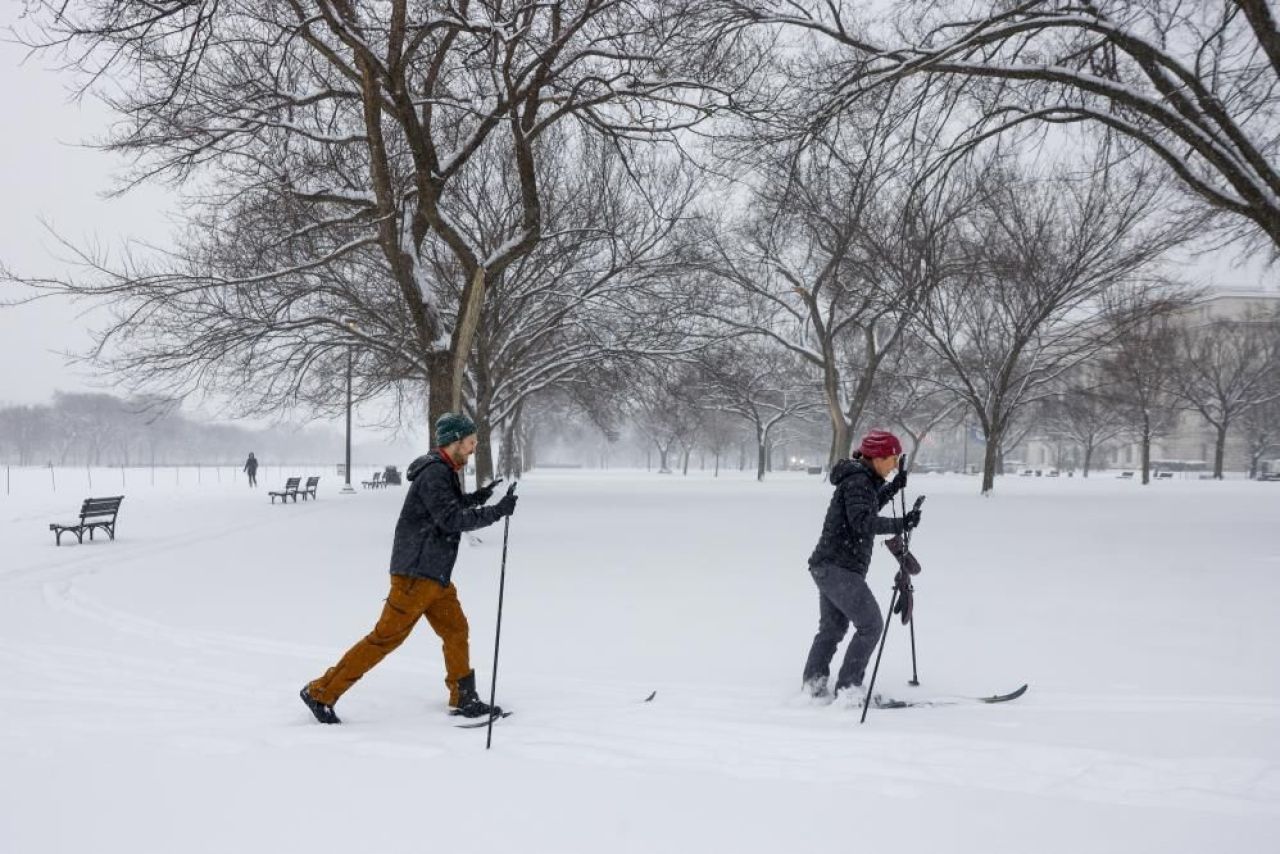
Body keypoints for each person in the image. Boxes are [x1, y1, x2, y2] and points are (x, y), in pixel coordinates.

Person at [300, 412, 518, 724]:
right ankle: (321, 691)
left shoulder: (444, 470)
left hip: (436, 575)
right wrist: (495, 512)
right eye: (470, 442)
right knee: (384, 639)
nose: (473, 448)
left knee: (456, 630)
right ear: (455, 442)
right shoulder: (434, 474)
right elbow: (450, 520)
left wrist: (478, 498)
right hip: (416, 576)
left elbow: (448, 509)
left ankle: (464, 697)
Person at [801, 430, 920, 705]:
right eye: (891, 459)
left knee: (832, 629)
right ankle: (849, 689)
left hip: (827, 566)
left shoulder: (860, 479)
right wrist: (901, 523)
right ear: (877, 457)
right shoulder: (858, 481)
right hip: (838, 568)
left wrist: (893, 488)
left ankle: (814, 684)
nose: (893, 464)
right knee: (870, 624)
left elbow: (867, 507)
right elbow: (862, 522)